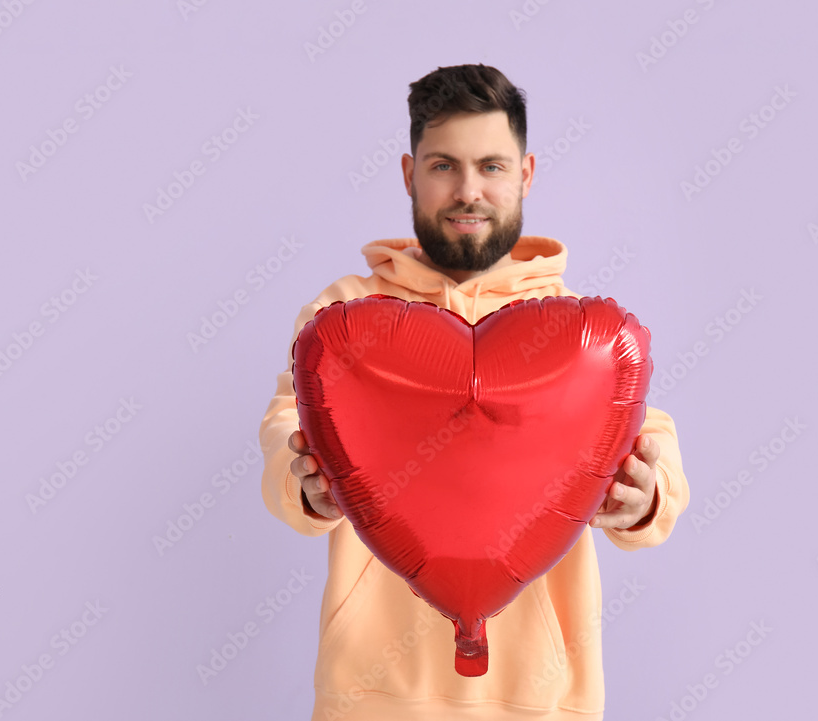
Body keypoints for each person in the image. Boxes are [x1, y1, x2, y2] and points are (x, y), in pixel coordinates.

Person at [259, 63, 690, 721]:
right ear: (409, 174)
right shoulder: (345, 317)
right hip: (372, 699)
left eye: (491, 165)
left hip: (543, 702)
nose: (468, 190)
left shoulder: (579, 332)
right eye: (443, 166)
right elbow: (285, 429)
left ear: (526, 173)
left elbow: (650, 437)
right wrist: (304, 485)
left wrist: (647, 496)